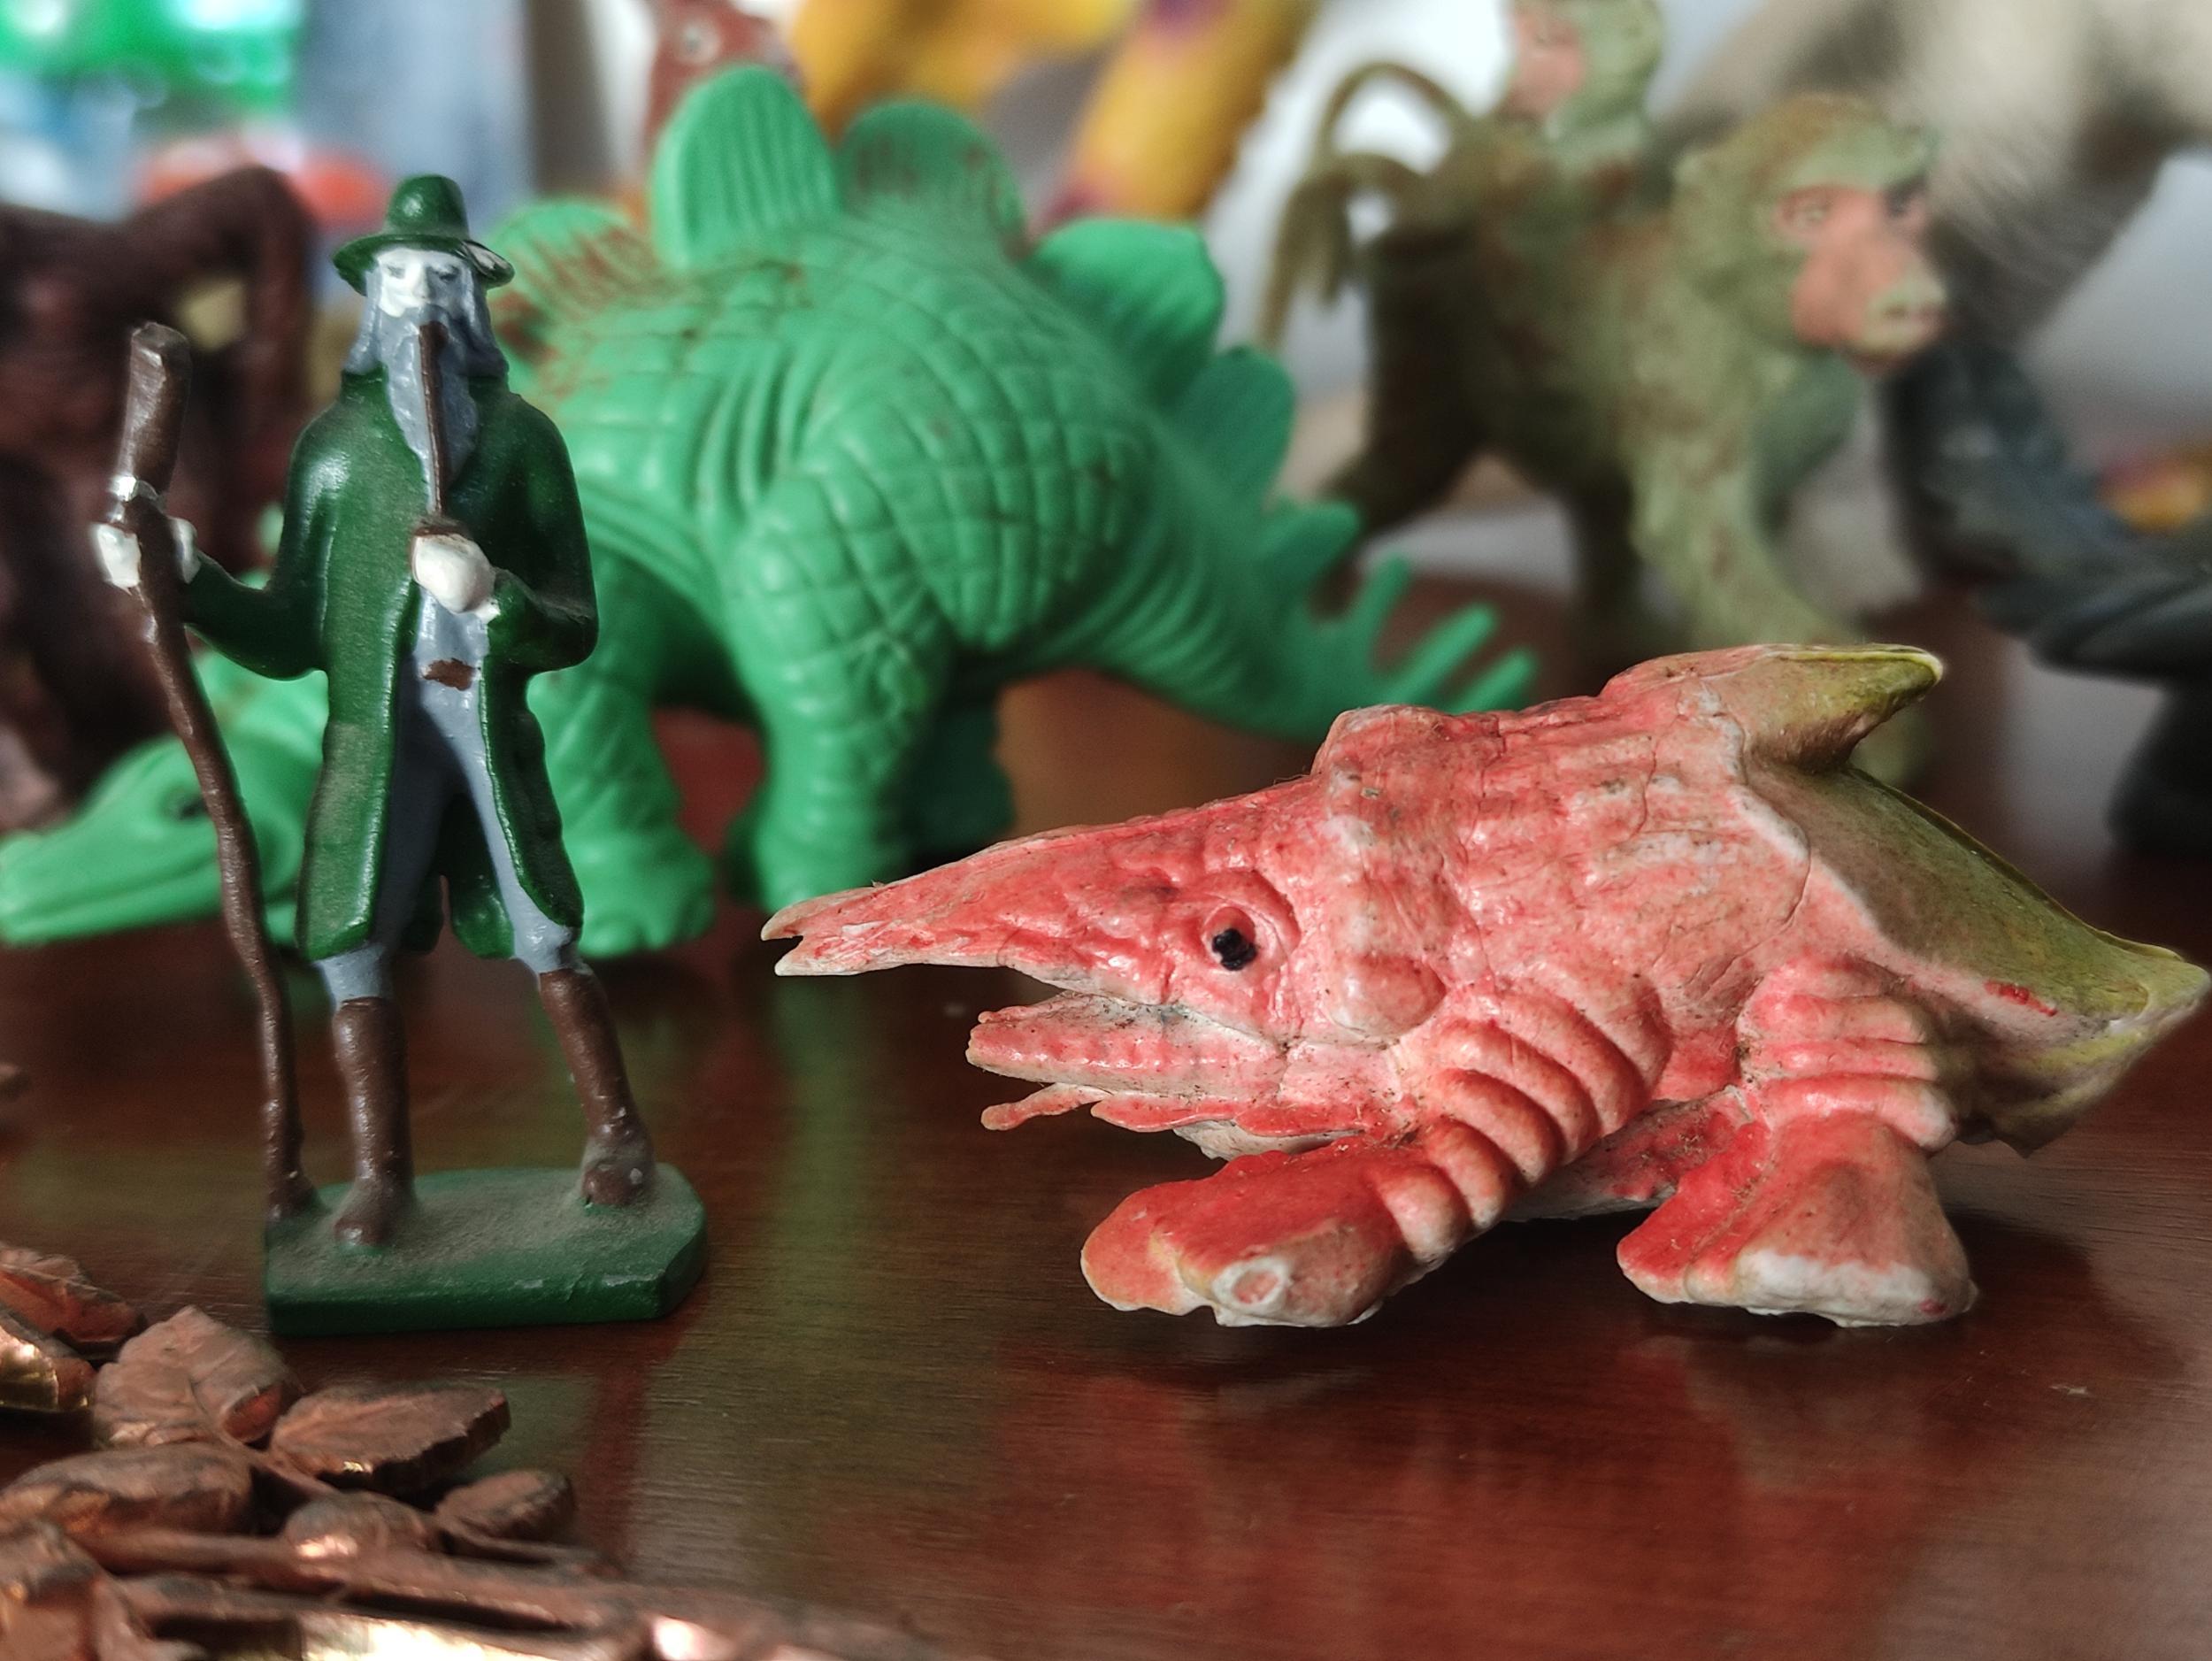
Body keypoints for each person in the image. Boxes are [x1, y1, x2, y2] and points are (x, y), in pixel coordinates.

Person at [94, 176, 655, 1248]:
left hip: (483, 734)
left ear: (471, 298)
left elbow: (576, 619)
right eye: (399, 279)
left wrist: (494, 598)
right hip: (375, 743)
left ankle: (616, 1131)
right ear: (371, 299)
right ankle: (381, 1175)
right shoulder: (336, 451)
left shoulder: (523, 442)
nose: (419, 301)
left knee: (546, 931)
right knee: (351, 946)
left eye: (441, 279)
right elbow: (290, 629)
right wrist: (186, 580)